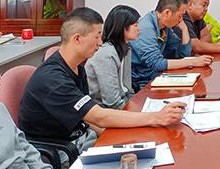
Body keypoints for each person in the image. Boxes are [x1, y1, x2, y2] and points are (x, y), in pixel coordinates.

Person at [19, 8, 187, 155]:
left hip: (85, 136)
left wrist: (118, 135)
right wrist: (156, 118)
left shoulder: (77, 68)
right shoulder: (53, 78)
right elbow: (97, 116)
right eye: (97, 37)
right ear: (77, 39)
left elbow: (87, 117)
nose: (100, 43)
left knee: (147, 143)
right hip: (64, 150)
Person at [130, 0, 214, 88]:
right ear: (167, 13)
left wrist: (184, 29)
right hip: (143, 83)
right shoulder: (145, 28)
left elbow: (182, 55)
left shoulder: (165, 28)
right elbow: (156, 63)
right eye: (180, 16)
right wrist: (193, 62)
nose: (181, 20)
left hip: (157, 77)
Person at [85, 5, 139, 109]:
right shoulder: (106, 54)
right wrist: (136, 113)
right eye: (135, 25)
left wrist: (135, 105)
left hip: (121, 104)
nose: (138, 29)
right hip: (102, 109)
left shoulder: (126, 49)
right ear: (122, 27)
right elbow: (112, 102)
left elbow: (128, 89)